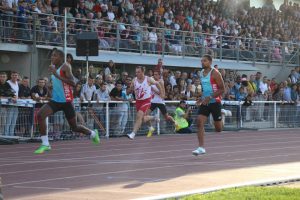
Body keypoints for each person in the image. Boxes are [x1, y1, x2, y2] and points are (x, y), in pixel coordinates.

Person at [34, 49, 100, 154]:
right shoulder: (54, 68)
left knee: (74, 127)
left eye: (54, 56)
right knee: (40, 115)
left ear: (60, 57)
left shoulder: (65, 66)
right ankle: (45, 144)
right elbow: (58, 84)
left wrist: (56, 75)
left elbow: (74, 83)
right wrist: (50, 87)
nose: (52, 57)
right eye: (51, 56)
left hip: (66, 102)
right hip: (55, 101)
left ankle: (92, 133)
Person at [193, 55, 225, 156]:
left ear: (210, 62)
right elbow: (205, 88)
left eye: (205, 61)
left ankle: (222, 114)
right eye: (201, 61)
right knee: (199, 122)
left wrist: (210, 97)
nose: (202, 62)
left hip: (215, 101)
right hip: (205, 102)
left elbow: (222, 89)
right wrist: (201, 97)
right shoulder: (201, 73)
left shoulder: (215, 73)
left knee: (218, 129)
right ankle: (201, 147)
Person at [127, 66, 163, 139]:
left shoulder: (148, 79)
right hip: (138, 101)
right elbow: (130, 90)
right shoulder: (134, 80)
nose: (137, 73)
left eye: (138, 72)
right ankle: (153, 120)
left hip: (146, 100)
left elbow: (157, 84)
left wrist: (161, 92)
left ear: (143, 72)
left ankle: (133, 134)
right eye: (136, 72)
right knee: (142, 118)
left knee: (139, 116)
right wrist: (129, 92)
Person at [146, 70, 178, 137]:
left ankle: (175, 123)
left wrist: (154, 88)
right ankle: (151, 128)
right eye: (154, 74)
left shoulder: (161, 81)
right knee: (146, 115)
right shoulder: (151, 81)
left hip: (160, 102)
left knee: (166, 117)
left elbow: (161, 94)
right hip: (153, 102)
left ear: (159, 75)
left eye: (156, 74)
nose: (155, 76)